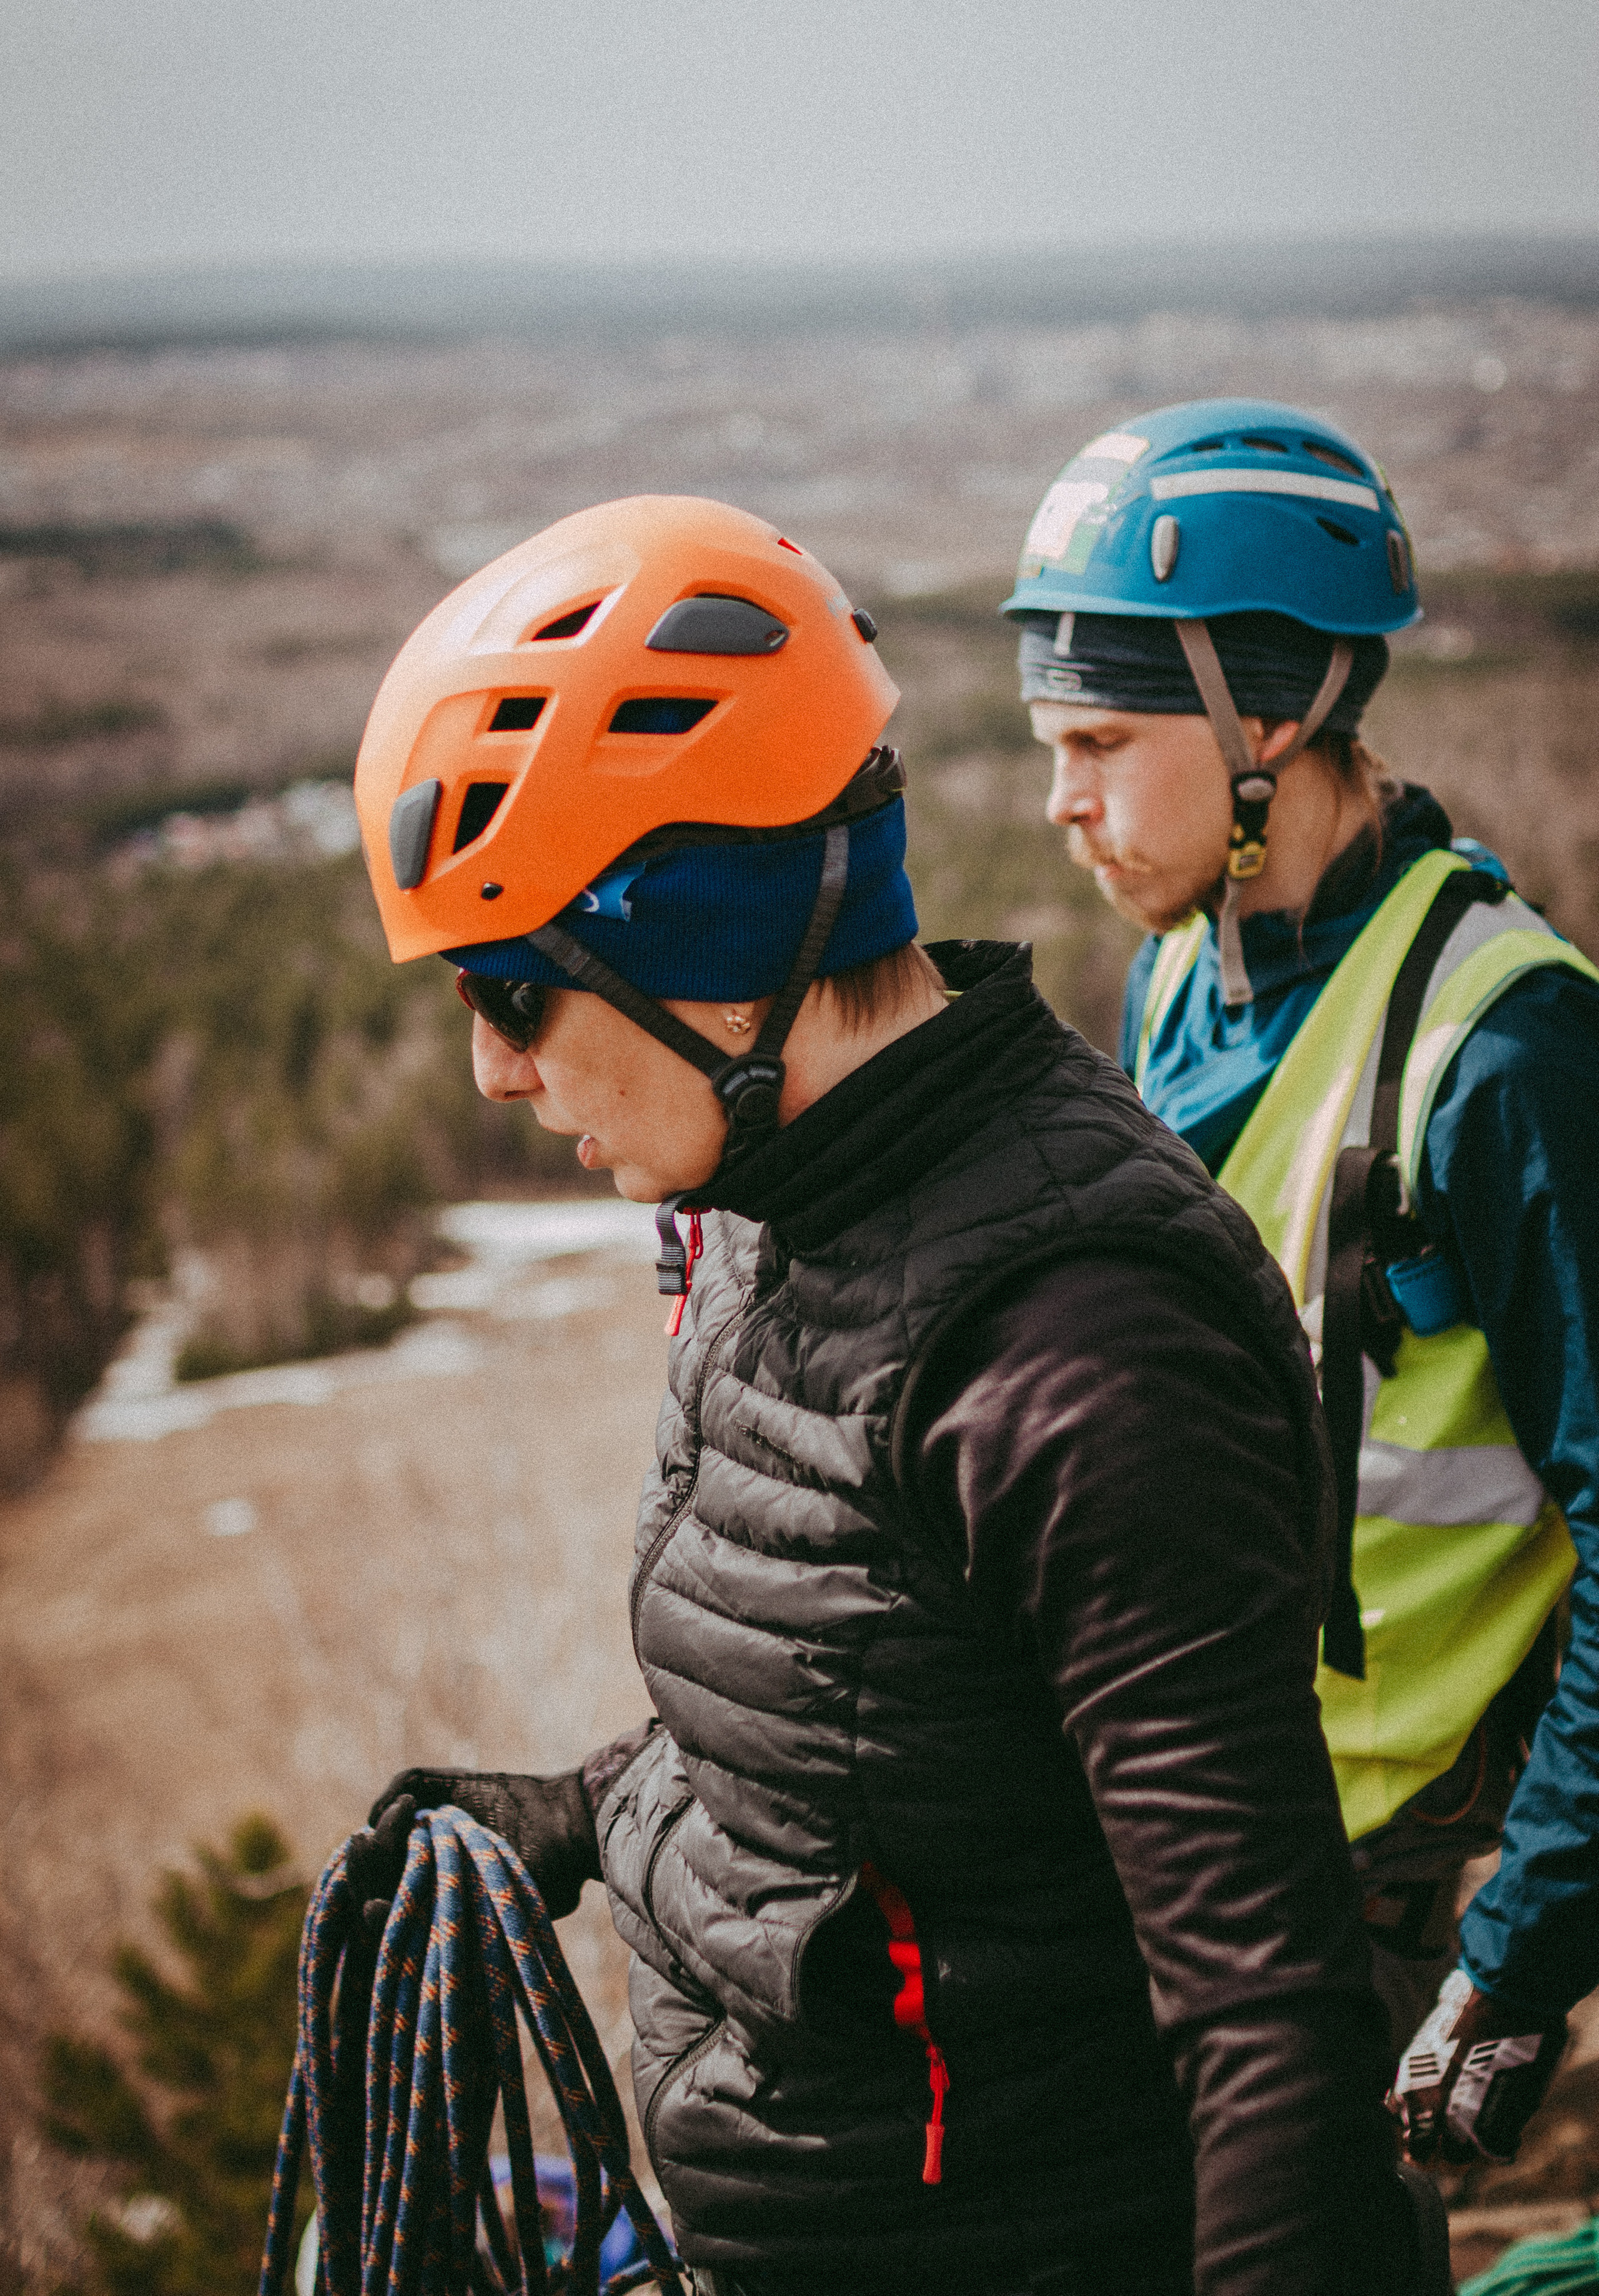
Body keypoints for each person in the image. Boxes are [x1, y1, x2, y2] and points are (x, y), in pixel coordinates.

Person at [347, 494, 1440, 2294]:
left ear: (706, 928)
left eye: (515, 988)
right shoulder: (783, 1209)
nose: (490, 1067)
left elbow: (1273, 2036)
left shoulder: (1082, 1350)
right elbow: (888, 1751)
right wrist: (577, 1813)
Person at [1006, 399, 1599, 2177]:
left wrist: (1517, 1958)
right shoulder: (1179, 977)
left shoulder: (1507, 1052)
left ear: (1271, 717)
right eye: (1053, 743)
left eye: (1103, 739)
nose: (1063, 801)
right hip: (1185, 1820)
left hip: (1370, 1889)